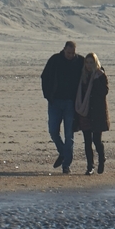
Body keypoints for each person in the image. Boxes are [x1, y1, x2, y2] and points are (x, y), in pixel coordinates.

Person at [41, 40, 84, 174]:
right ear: (64, 49)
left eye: (72, 53)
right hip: (55, 102)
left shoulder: (80, 61)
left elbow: (93, 67)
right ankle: (63, 152)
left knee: (69, 135)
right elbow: (44, 76)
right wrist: (48, 95)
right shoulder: (55, 60)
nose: (70, 55)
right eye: (68, 52)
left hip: (70, 103)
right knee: (53, 131)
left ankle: (66, 165)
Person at [75, 52, 110, 175]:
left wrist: (95, 80)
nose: (89, 65)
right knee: (87, 141)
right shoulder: (82, 75)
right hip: (85, 112)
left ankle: (101, 159)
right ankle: (90, 166)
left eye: (91, 63)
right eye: (87, 62)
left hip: (97, 113)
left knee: (96, 140)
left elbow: (104, 92)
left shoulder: (100, 75)